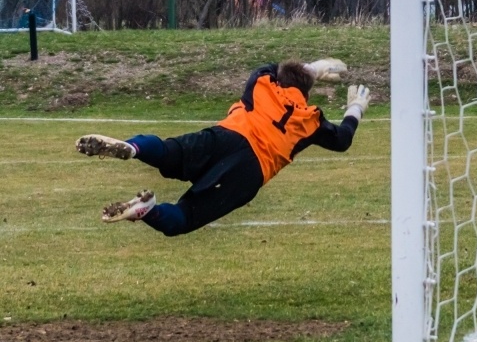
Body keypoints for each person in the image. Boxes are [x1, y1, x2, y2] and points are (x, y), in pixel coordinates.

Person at [75, 59, 370, 236]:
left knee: (167, 152)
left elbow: (271, 67)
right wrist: (355, 108)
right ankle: (146, 211)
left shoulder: (262, 83)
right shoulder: (311, 119)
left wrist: (312, 68)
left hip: (226, 136)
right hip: (250, 170)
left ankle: (133, 147)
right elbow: (342, 140)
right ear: (306, 92)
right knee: (185, 216)